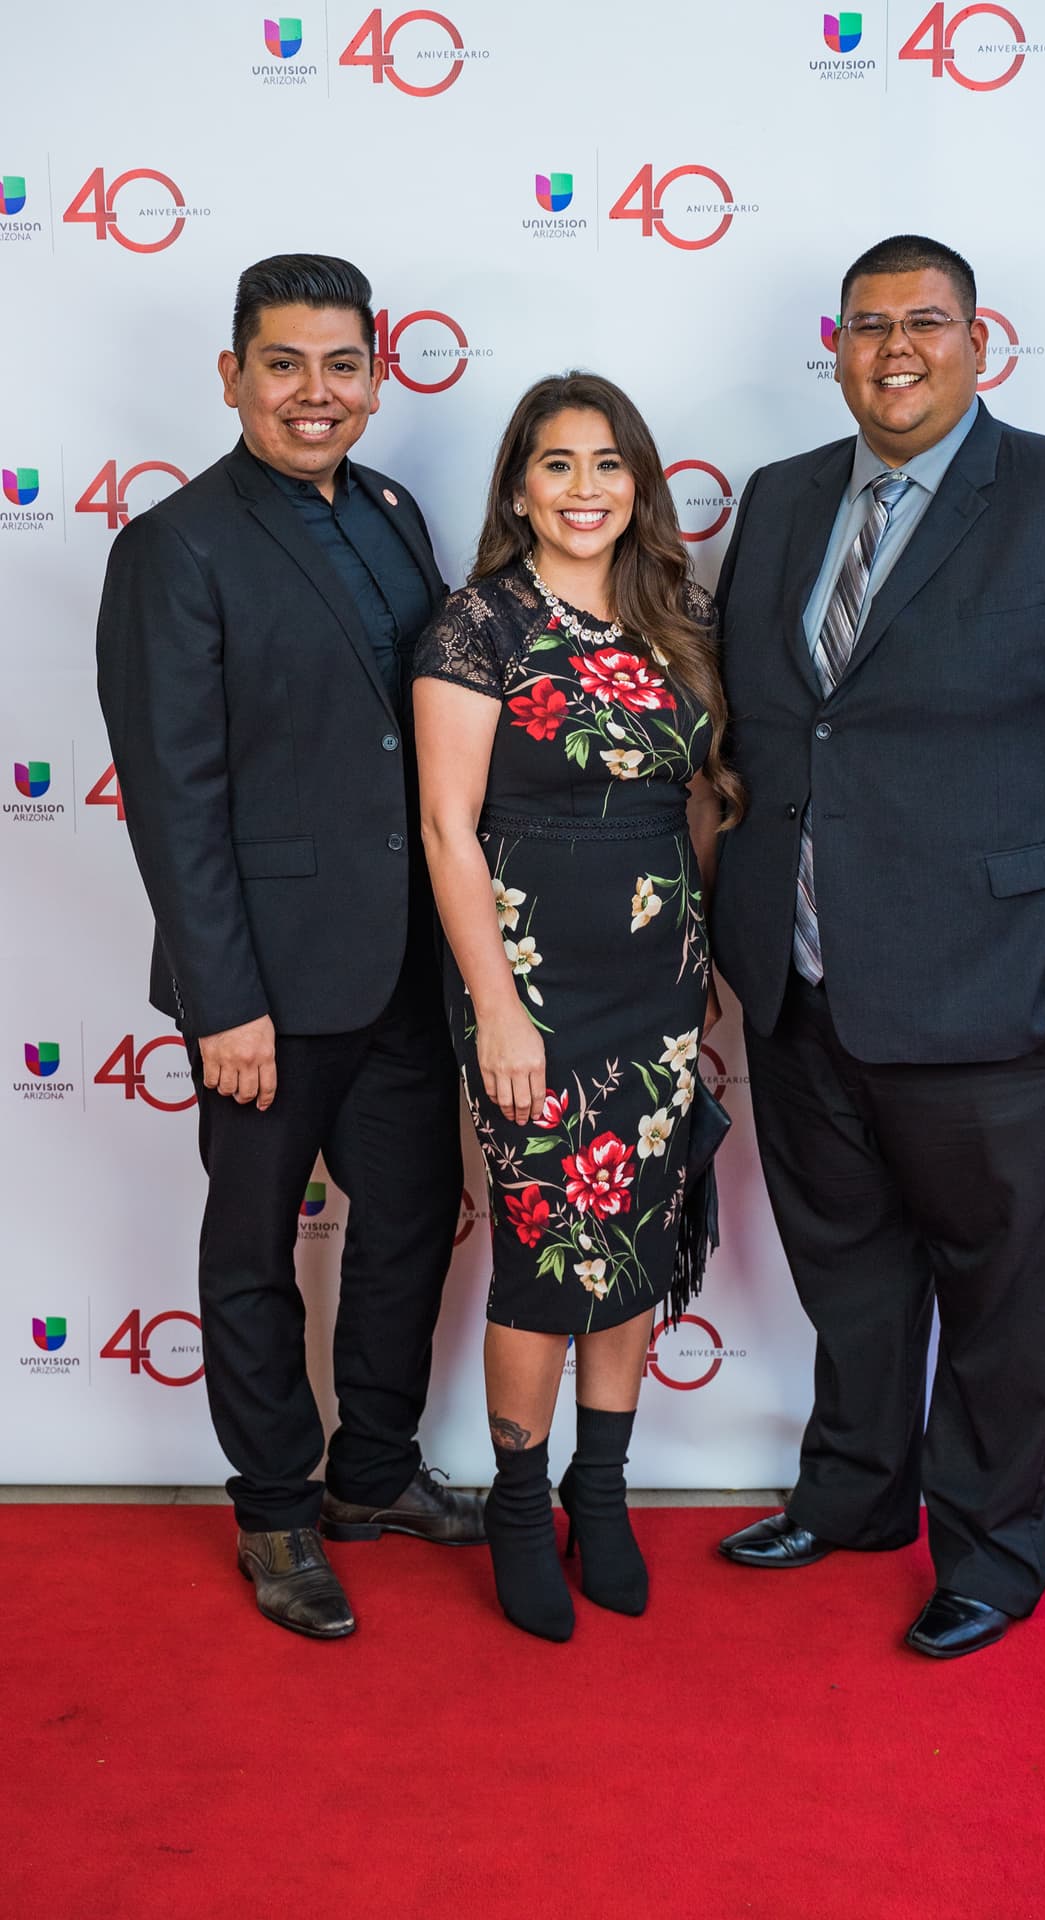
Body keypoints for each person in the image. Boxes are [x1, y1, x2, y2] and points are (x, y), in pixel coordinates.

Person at [713, 234, 1045, 1657]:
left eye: (925, 322)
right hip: (801, 981)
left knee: (998, 1295)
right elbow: (777, 725)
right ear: (837, 348)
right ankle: (855, 1493)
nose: (895, 350)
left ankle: (989, 1552)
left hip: (998, 984)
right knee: (848, 1270)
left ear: (980, 344)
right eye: (868, 325)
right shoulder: (782, 496)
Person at [96, 253, 483, 1641]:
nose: (313, 393)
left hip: (404, 968)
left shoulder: (392, 511)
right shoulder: (175, 546)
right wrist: (223, 1000)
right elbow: (174, 797)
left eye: (340, 366)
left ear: (376, 380)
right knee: (255, 1250)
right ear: (232, 377)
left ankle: (371, 1473)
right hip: (262, 985)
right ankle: (274, 1511)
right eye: (283, 364)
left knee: (409, 1230)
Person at [412, 372, 741, 1641]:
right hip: (532, 990)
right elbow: (447, 831)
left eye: (608, 464)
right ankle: (515, 1504)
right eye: (557, 464)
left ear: (639, 483)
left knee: (635, 1242)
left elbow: (700, 800)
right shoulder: (477, 626)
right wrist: (496, 1009)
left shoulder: (679, 616)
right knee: (548, 1251)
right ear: (517, 488)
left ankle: (598, 1492)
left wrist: (696, 965)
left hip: (654, 989)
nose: (585, 488)